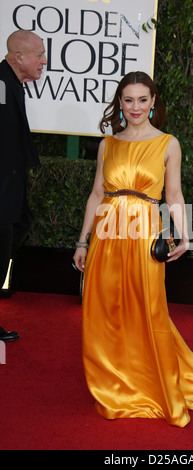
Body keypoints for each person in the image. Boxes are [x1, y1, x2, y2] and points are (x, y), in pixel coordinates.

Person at [73, 71, 193, 427]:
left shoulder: (168, 143)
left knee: (147, 310)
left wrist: (185, 238)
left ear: (153, 103)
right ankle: (114, 383)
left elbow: (174, 195)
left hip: (144, 233)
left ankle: (150, 380)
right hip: (107, 233)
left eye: (142, 99)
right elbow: (96, 195)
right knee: (105, 310)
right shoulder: (108, 144)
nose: (135, 107)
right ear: (120, 102)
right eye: (128, 99)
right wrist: (82, 240)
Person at [0, 30, 47, 341]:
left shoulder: (11, 84)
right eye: (39, 55)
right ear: (18, 58)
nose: (44, 61)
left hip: (9, 190)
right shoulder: (1, 84)